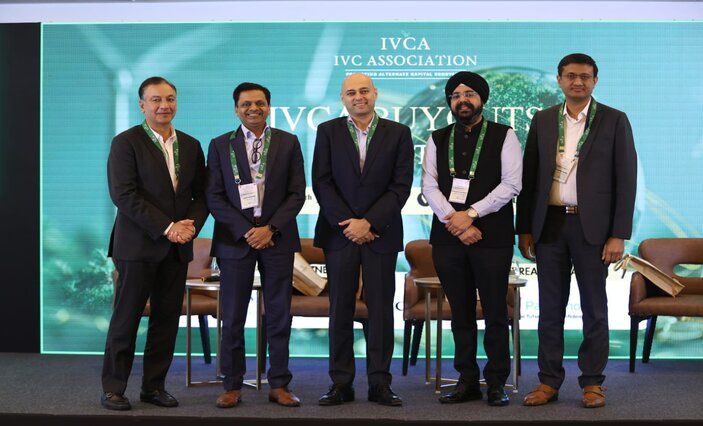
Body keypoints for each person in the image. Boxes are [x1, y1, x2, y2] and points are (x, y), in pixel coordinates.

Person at [516, 53, 637, 408]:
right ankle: (548, 382)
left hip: (593, 229)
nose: (578, 82)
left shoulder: (614, 120)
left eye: (585, 76)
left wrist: (618, 234)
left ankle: (593, 383)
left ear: (595, 81)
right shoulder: (543, 120)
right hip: (550, 225)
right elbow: (530, 177)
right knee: (549, 308)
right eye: (571, 76)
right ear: (559, 80)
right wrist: (525, 228)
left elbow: (626, 179)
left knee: (595, 308)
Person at [102, 76, 208, 411]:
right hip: (137, 247)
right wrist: (167, 227)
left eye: (170, 99)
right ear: (142, 105)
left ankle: (154, 387)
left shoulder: (190, 145)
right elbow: (124, 195)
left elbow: (202, 195)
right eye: (156, 100)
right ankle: (113, 388)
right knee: (126, 319)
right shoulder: (126, 142)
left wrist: (189, 227)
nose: (164, 106)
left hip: (177, 249)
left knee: (166, 321)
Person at [421, 71, 522, 406]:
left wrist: (472, 214)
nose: (462, 100)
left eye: (469, 94)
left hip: (492, 237)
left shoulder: (504, 135)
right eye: (455, 95)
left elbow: (512, 184)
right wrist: (456, 221)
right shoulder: (437, 138)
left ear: (482, 99)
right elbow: (429, 186)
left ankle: (496, 382)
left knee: (495, 311)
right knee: (460, 313)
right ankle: (466, 380)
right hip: (448, 238)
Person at [313, 73, 413, 407]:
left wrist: (369, 222)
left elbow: (400, 185)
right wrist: (349, 224)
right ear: (343, 98)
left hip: (380, 233)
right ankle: (341, 384)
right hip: (339, 234)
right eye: (351, 92)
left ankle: (380, 383)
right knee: (340, 309)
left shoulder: (398, 133)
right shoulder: (327, 131)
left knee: (381, 311)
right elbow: (322, 182)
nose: (359, 97)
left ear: (375, 94)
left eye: (364, 91)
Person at [206, 82, 306, 408]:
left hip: (277, 238)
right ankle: (232, 385)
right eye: (246, 104)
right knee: (233, 316)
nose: (253, 109)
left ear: (268, 107)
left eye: (260, 103)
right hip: (235, 240)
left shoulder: (288, 142)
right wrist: (247, 230)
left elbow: (297, 193)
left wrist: (270, 228)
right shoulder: (220, 145)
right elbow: (214, 196)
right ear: (236, 109)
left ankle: (279, 384)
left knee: (279, 314)